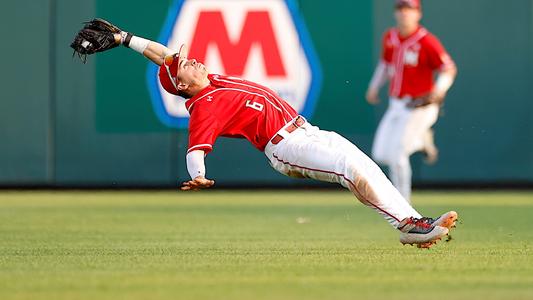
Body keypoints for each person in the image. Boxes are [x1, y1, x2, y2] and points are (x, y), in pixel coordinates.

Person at [105, 22, 457, 248]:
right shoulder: (204, 105)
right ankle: (409, 225)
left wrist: (125, 38)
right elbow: (195, 149)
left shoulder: (211, 79)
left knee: (365, 165)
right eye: (187, 65)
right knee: (350, 167)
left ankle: (412, 220)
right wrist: (198, 175)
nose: (193, 60)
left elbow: (163, 56)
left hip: (307, 130)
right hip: (286, 147)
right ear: (183, 85)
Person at [366, 0, 457, 202]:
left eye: (409, 9)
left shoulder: (427, 41)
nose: (404, 13)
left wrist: (439, 90)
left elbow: (449, 69)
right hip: (397, 104)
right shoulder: (390, 37)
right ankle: (421, 140)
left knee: (398, 154)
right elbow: (385, 64)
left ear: (418, 14)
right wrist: (374, 86)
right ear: (395, 13)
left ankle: (403, 204)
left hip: (421, 106)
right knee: (381, 154)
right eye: (400, 9)